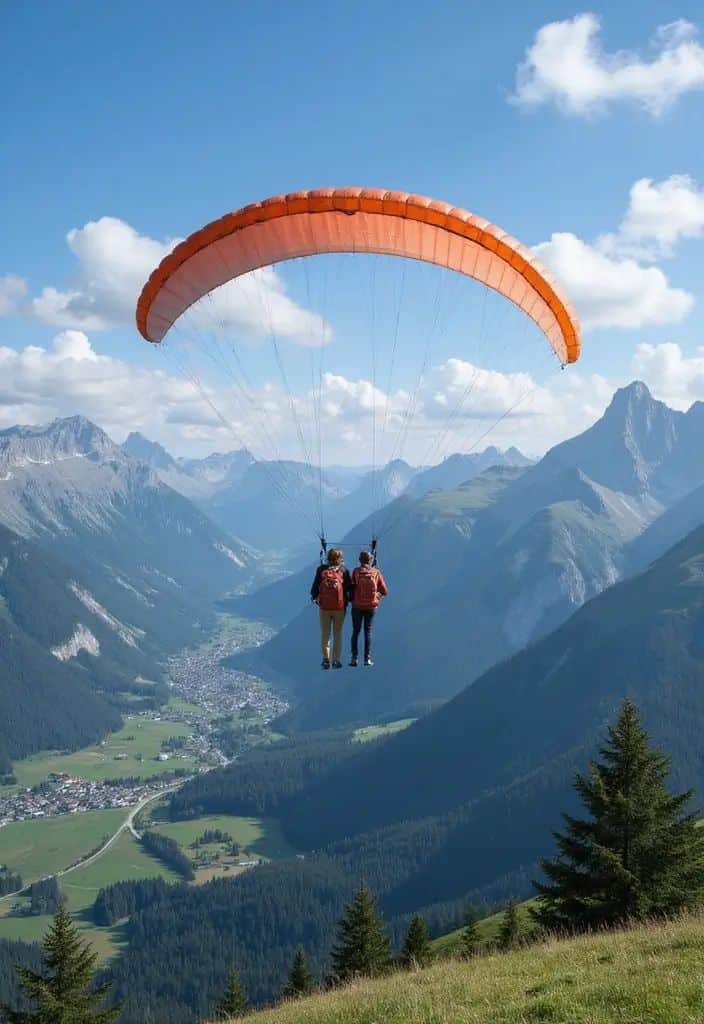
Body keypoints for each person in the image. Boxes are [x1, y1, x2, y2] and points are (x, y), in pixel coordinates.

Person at [310, 548, 351, 670]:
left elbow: (314, 588)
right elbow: (349, 590)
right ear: (340, 559)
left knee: (325, 634)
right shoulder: (344, 570)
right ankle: (336, 660)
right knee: (337, 634)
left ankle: (326, 660)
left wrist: (315, 598)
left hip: (324, 607)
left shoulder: (321, 570)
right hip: (339, 608)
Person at [349, 550, 388, 667]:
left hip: (357, 606)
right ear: (371, 560)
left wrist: (351, 600)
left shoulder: (356, 571)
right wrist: (377, 596)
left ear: (359, 560)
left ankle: (354, 658)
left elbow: (351, 588)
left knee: (356, 631)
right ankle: (367, 658)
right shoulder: (376, 572)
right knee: (368, 631)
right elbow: (384, 591)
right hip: (371, 606)